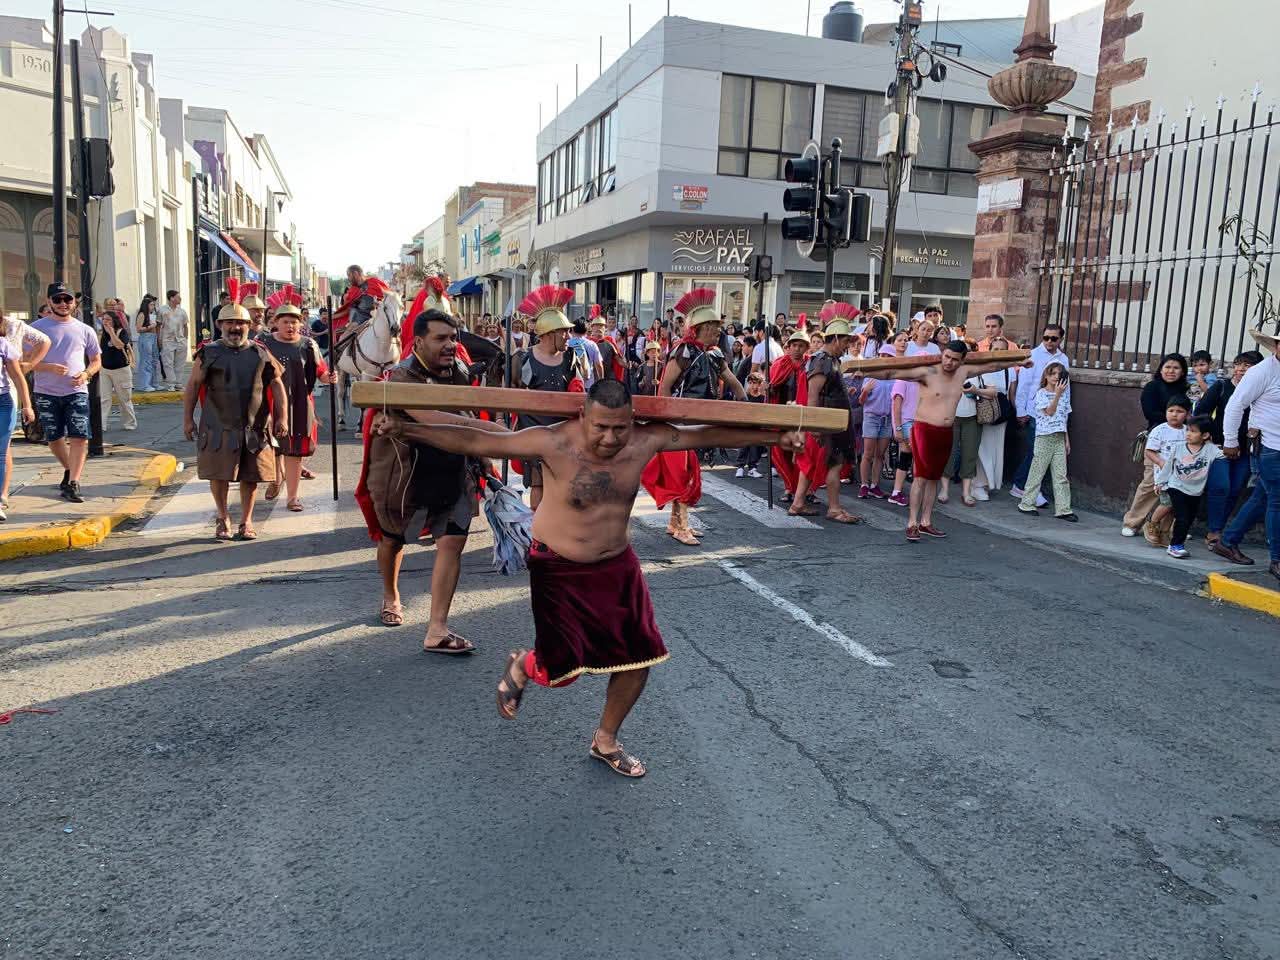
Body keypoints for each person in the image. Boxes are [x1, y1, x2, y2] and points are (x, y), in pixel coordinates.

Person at [376, 378, 805, 777]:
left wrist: (775, 437)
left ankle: (605, 740)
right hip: (556, 565)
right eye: (601, 427)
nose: (610, 438)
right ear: (583, 415)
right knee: (562, 670)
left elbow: (706, 434)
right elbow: (477, 438)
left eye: (620, 428)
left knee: (641, 658)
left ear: (632, 420)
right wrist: (405, 431)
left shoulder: (644, 440)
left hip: (616, 564)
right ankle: (525, 663)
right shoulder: (554, 441)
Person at [354, 308, 502, 645]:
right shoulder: (402, 377)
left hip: (452, 471)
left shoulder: (459, 371)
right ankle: (391, 594)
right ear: (418, 342)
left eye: (453, 338)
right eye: (441, 338)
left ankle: (437, 628)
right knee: (392, 541)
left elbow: (464, 411)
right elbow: (433, 418)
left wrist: (484, 456)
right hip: (404, 477)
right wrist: (494, 434)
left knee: (452, 543)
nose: (450, 344)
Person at [868, 340, 1028, 541]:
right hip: (924, 429)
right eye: (947, 357)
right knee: (921, 477)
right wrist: (863, 372)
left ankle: (926, 521)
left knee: (935, 478)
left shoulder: (963, 372)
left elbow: (993, 365)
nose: (949, 363)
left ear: (962, 361)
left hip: (946, 431)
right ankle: (912, 522)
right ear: (942, 354)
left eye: (954, 360)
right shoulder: (928, 372)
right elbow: (892, 373)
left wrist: (1020, 361)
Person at [645, 287, 746, 544]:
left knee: (693, 472)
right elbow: (665, 387)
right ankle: (682, 527)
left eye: (717, 326)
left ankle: (674, 523)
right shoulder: (684, 352)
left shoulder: (715, 354)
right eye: (712, 326)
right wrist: (664, 418)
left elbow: (732, 381)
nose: (717, 330)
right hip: (680, 423)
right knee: (683, 475)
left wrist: (747, 406)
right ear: (699, 328)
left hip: (702, 422)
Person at [182, 299, 286, 541]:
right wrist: (188, 419)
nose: (235, 327)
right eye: (230, 322)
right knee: (219, 475)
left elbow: (277, 385)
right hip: (217, 425)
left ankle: (246, 521)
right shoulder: (208, 352)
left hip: (254, 426)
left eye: (240, 323)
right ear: (220, 325)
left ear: (249, 325)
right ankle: (222, 517)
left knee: (250, 477)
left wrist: (283, 418)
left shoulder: (260, 352)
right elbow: (193, 385)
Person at [1215, 327, 1280, 579]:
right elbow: (1235, 405)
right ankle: (1276, 560)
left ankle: (1228, 541)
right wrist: (1230, 440)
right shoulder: (1261, 372)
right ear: (1275, 346)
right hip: (1268, 448)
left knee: (1264, 497)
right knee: (1277, 501)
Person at [789, 302, 862, 524]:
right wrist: (815, 426)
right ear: (836, 338)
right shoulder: (821, 360)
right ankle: (834, 508)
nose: (848, 345)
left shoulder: (833, 360)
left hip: (835, 420)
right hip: (826, 421)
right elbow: (813, 395)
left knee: (826, 463)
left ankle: (799, 503)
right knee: (835, 464)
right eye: (846, 341)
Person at [513, 285, 584, 510]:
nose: (568, 336)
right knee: (539, 485)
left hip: (564, 433)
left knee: (563, 486)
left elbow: (580, 392)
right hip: (534, 432)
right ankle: (538, 537)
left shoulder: (570, 358)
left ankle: (557, 532)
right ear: (549, 334)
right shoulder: (524, 359)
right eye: (563, 331)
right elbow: (512, 395)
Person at [263, 303, 337, 511]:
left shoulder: (308, 345)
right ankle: (275, 479)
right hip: (269, 402)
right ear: (276, 322)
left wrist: (330, 377)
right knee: (272, 446)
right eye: (285, 321)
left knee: (295, 451)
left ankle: (292, 497)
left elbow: (321, 372)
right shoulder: (263, 343)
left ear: (300, 323)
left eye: (294, 322)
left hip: (300, 404)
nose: (290, 326)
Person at [32, 282, 101, 504]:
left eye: (67, 299)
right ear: (49, 301)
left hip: (76, 391)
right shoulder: (35, 329)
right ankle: (70, 470)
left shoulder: (85, 329)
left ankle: (73, 483)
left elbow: (96, 361)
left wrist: (86, 374)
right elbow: (22, 363)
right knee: (54, 437)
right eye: (58, 299)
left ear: (74, 302)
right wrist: (47, 367)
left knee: (80, 436)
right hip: (46, 391)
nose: (63, 304)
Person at [1198, 351, 1262, 549]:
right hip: (1220, 447)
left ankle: (1219, 528)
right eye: (1238, 364)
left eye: (1247, 365)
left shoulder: (1262, 390)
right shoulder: (1222, 386)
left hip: (1247, 449)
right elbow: (1201, 410)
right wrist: (1207, 434)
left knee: (1235, 490)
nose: (1241, 369)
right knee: (1221, 487)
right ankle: (1214, 531)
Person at [1011, 323, 1071, 501]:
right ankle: (1021, 486)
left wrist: (1065, 413)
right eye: (1046, 338)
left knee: (1048, 454)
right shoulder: (1034, 355)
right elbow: (1024, 384)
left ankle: (1029, 487)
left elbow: (1065, 387)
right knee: (1036, 452)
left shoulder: (1063, 359)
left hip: (1057, 413)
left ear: (1060, 339)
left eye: (1054, 338)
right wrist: (1021, 410)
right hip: (1036, 410)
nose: (1049, 341)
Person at [1015, 362, 1078, 521]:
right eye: (1053, 373)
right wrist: (1057, 394)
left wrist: (1066, 440)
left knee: (1061, 475)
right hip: (1044, 437)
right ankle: (1026, 503)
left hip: (1058, 438)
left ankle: (1064, 509)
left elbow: (1063, 418)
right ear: (1046, 376)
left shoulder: (1064, 395)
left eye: (1059, 374)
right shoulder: (1041, 394)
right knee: (1037, 472)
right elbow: (1049, 412)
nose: (1056, 377)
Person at [1, 309, 51, 507]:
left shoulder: (12, 327)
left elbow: (44, 341)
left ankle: (2, 495)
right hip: (10, 391)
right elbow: (44, 341)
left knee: (3, 449)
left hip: (6, 393)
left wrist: (30, 364)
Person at [1123, 396, 1189, 542]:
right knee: (1166, 501)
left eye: (1179, 411)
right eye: (1171, 410)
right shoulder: (1160, 430)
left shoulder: (1188, 431)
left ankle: (1166, 530)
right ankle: (1146, 523)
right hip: (1162, 475)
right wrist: (1161, 463)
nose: (1174, 414)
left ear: (1187, 414)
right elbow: (1149, 451)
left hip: (1181, 475)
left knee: (1175, 504)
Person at [1155, 414, 1221, 558]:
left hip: (1196, 491)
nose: (1188, 434)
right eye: (1188, 430)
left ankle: (1177, 542)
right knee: (1183, 517)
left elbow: (1224, 455)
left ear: (1205, 435)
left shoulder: (1210, 449)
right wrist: (1160, 482)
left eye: (1193, 431)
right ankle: (1175, 546)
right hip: (1176, 486)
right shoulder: (1178, 448)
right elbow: (1168, 466)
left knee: (1189, 518)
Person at [767, 329, 811, 502]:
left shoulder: (810, 364)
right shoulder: (779, 364)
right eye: (795, 345)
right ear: (789, 346)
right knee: (783, 453)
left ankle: (806, 491)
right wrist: (769, 388)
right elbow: (773, 386)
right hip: (783, 415)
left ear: (806, 348)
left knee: (803, 454)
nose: (797, 349)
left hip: (803, 416)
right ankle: (789, 487)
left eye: (801, 346)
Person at [972, 335, 1016, 500]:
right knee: (982, 449)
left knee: (996, 449)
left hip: (1001, 416)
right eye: (995, 349)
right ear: (990, 350)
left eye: (1002, 349)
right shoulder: (982, 367)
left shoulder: (1010, 369)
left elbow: (1012, 394)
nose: (998, 352)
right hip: (985, 413)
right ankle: (978, 484)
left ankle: (991, 484)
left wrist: (1016, 413)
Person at [0, 328, 36, 521]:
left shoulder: (3, 344)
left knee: (1, 451)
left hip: (3, 402)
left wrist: (27, 406)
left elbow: (17, 377)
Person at [938, 367, 982, 506]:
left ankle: (966, 492)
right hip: (950, 416)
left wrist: (975, 390)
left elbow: (992, 392)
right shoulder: (948, 371)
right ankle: (944, 490)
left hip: (973, 418)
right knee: (948, 453)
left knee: (970, 454)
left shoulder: (979, 372)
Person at [98, 305, 137, 431]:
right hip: (105, 370)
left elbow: (119, 345)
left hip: (121, 370)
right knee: (104, 399)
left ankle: (130, 423)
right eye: (104, 319)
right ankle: (101, 425)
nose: (105, 322)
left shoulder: (122, 332)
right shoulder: (101, 334)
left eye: (108, 319)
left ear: (114, 321)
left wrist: (111, 332)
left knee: (124, 399)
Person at [734, 372, 767, 478]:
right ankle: (740, 467)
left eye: (756, 383)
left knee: (756, 447)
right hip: (746, 425)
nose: (754, 386)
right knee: (744, 446)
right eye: (751, 383)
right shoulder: (745, 396)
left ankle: (753, 468)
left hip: (757, 425)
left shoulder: (763, 397)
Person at [157, 289, 189, 390]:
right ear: (171, 298)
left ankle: (178, 383)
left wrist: (186, 338)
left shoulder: (182, 311)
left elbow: (186, 326)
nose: (180, 299)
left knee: (180, 362)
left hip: (180, 340)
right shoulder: (162, 310)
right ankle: (171, 383)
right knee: (168, 362)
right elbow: (158, 325)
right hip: (167, 339)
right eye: (178, 297)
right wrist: (159, 339)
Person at [134, 293, 160, 392]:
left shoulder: (152, 315)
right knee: (146, 360)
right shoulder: (142, 314)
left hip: (153, 337)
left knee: (154, 360)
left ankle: (154, 383)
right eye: (151, 305)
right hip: (146, 337)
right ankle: (144, 384)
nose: (153, 306)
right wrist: (150, 327)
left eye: (153, 305)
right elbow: (138, 329)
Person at [567, 319, 604, 388]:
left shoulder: (567, 344)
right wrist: (601, 381)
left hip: (570, 384)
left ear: (572, 329)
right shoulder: (592, 344)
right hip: (588, 383)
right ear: (586, 330)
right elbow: (599, 365)